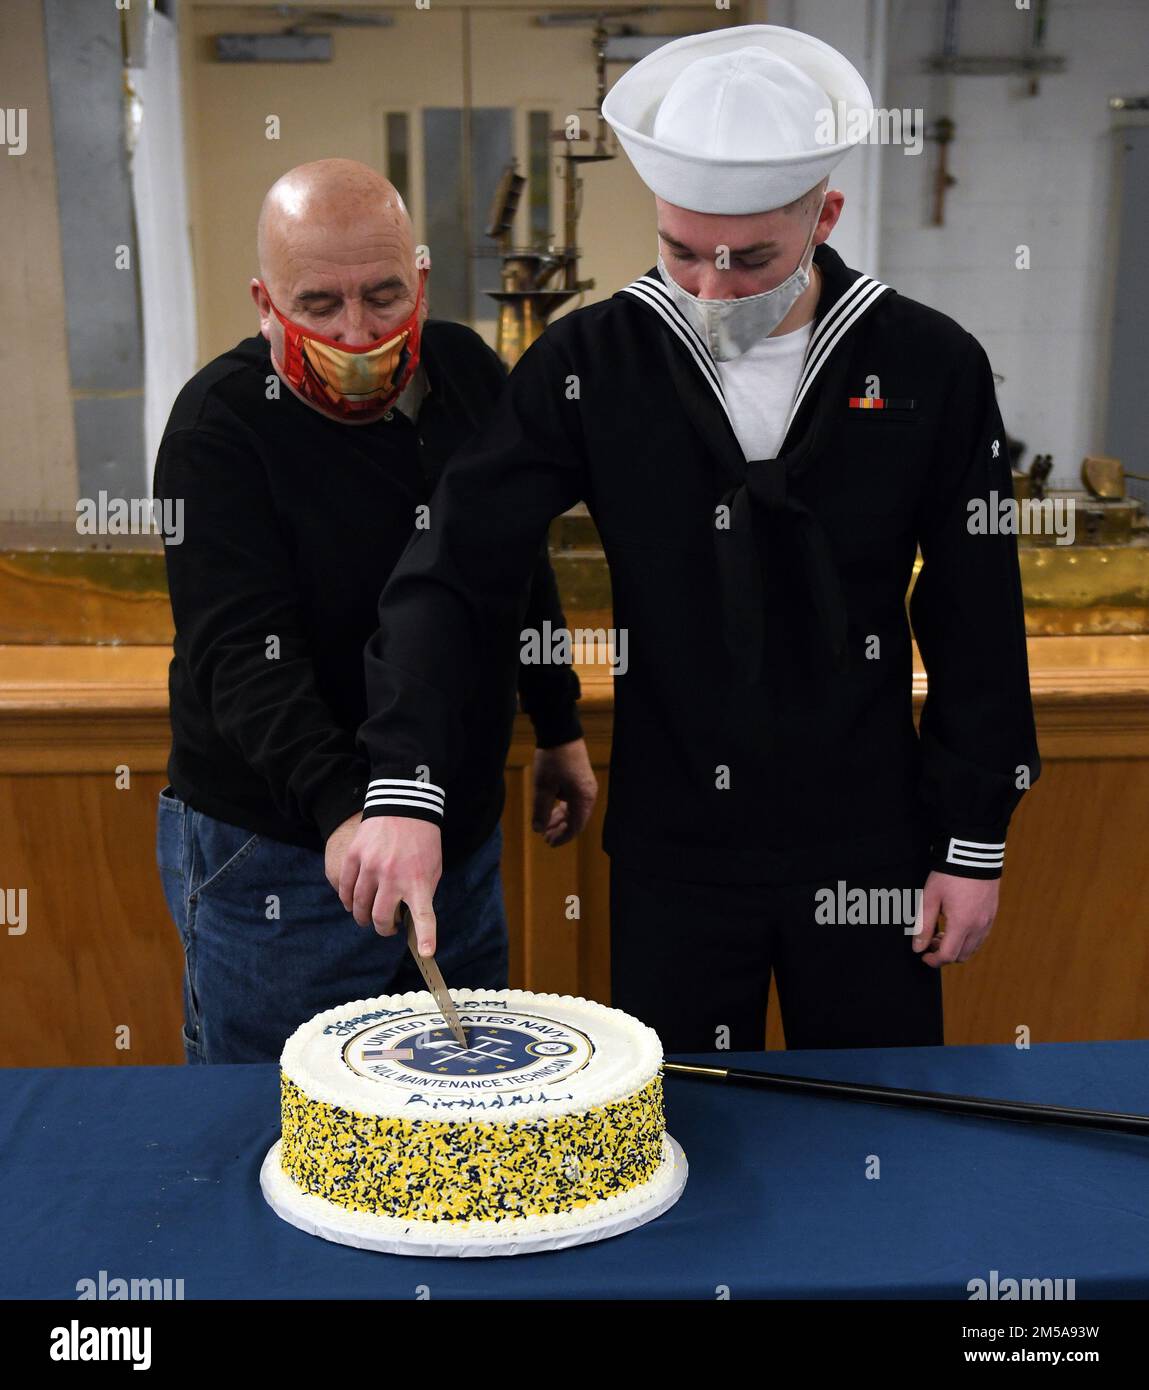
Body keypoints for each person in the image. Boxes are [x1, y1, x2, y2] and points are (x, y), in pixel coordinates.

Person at [332, 27, 1041, 1053]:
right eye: (679, 252)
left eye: (748, 258)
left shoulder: (928, 360)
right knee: (682, 1137)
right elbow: (455, 568)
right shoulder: (595, 359)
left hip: (868, 839)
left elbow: (976, 608)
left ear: (824, 216)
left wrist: (972, 839)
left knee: (882, 1127)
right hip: (676, 843)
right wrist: (408, 782)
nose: (708, 290)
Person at [154, 159, 596, 1064]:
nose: (357, 332)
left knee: (463, 1109)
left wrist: (556, 724)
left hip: (456, 829)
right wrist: (347, 817)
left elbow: (513, 561)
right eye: (319, 304)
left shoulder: (470, 373)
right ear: (263, 301)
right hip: (282, 852)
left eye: (384, 296)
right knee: (280, 1127)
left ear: (422, 281)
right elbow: (239, 658)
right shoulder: (217, 428)